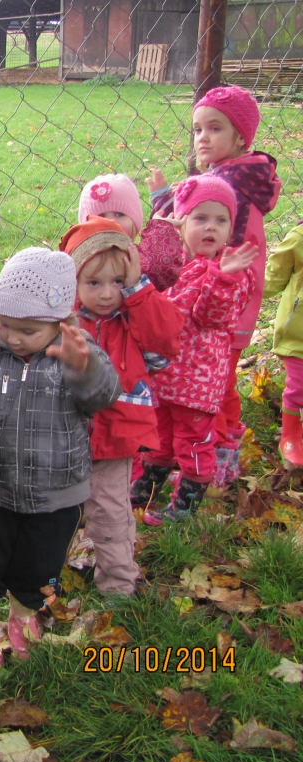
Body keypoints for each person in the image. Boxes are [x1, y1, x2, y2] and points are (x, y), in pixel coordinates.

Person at [0, 248, 121, 667]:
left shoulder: (78, 353)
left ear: (61, 322)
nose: (12, 337)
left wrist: (83, 370)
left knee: (41, 567)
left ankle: (24, 616)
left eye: (27, 329)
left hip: (59, 494)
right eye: (4, 324)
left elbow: (103, 396)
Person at [151, 86, 280, 485]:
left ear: (241, 137)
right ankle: (208, 452)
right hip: (213, 301)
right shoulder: (227, 177)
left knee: (217, 388)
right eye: (197, 129)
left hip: (224, 306)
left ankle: (217, 461)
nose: (202, 138)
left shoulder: (233, 187)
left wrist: (165, 204)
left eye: (215, 128)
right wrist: (164, 199)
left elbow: (202, 238)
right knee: (216, 384)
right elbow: (188, 219)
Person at [59, 218, 181, 595]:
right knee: (55, 513)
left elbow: (168, 338)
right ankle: (43, 582)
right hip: (64, 436)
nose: (107, 293)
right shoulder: (63, 323)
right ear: (73, 281)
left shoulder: (133, 317)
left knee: (110, 513)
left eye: (117, 281)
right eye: (94, 283)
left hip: (115, 438)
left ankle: (118, 585)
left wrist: (138, 289)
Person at [132, 176, 259, 525]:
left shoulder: (232, 272)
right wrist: (160, 207)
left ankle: (185, 505)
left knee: (193, 442)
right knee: (159, 437)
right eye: (200, 218)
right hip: (164, 375)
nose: (211, 227)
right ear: (183, 222)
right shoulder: (177, 264)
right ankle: (147, 488)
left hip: (198, 381)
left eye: (221, 220)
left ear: (231, 228)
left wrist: (223, 278)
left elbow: (211, 315)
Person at [78, 172, 184, 292]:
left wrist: (161, 230)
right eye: (101, 216)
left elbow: (159, 265)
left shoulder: (138, 258)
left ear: (134, 221)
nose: (111, 221)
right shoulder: (80, 261)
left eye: (119, 214)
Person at [264, 223, 303, 469]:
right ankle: (291, 437)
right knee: (299, 388)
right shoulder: (299, 238)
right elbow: (273, 278)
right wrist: (243, 287)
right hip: (300, 335)